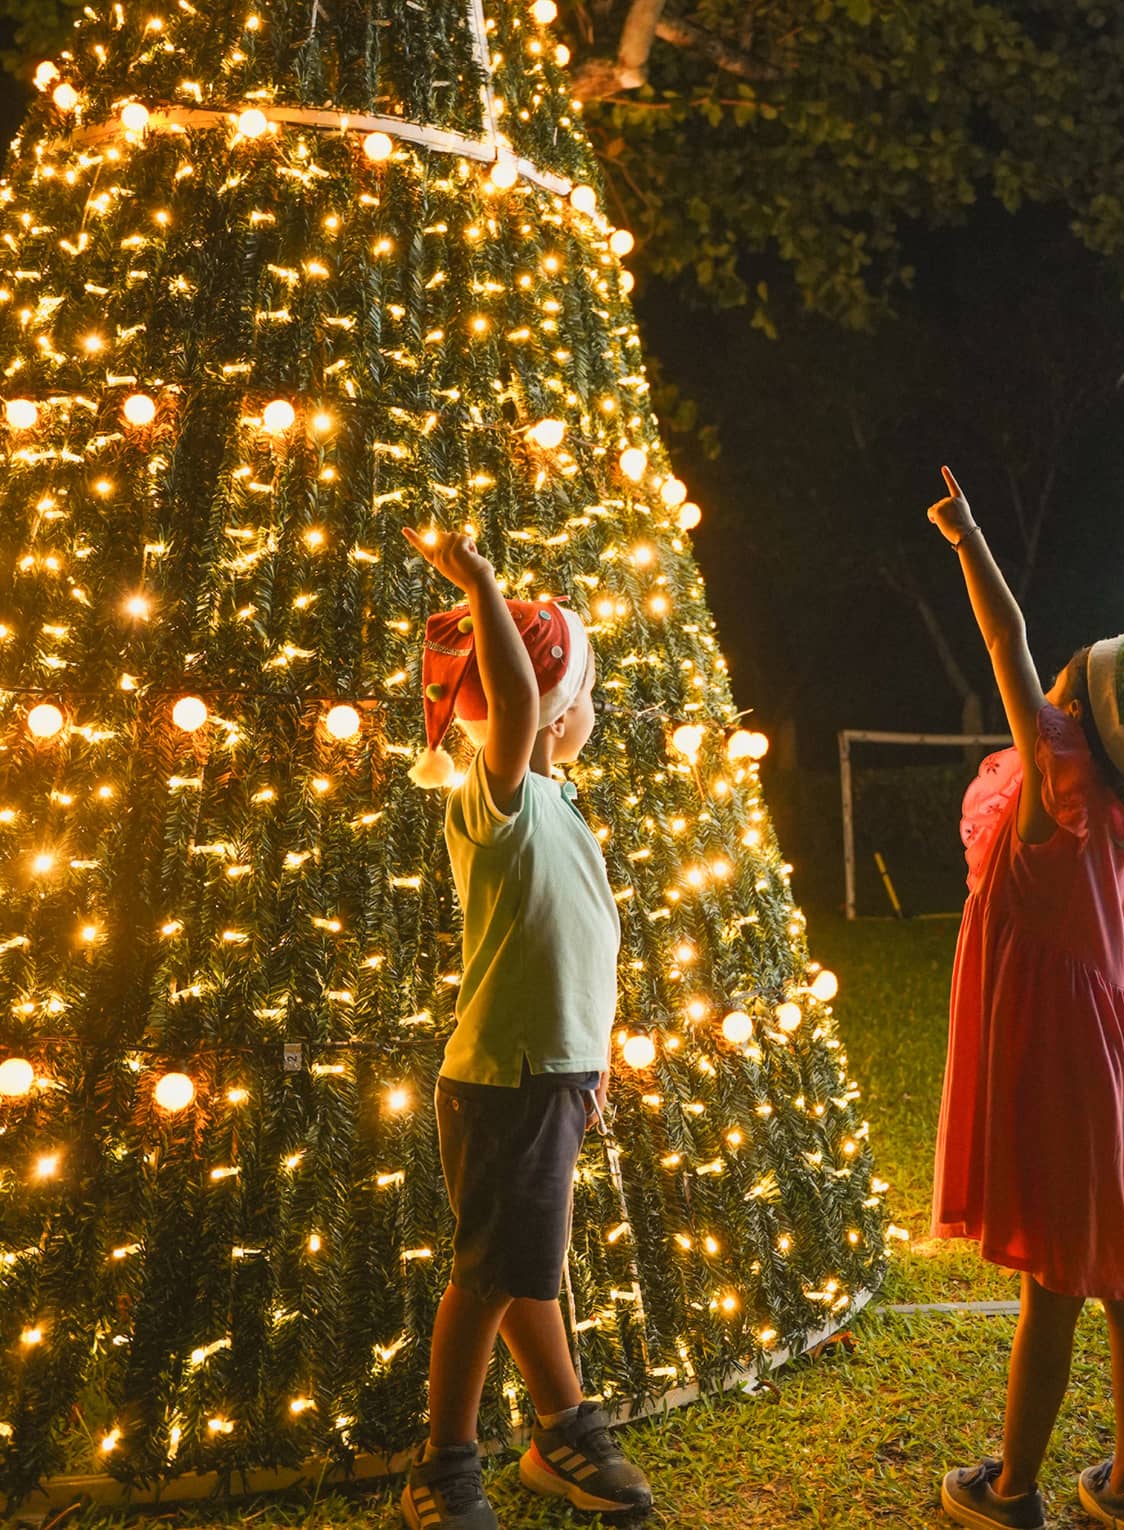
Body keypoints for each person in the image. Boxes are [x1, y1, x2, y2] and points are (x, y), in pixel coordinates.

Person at [924, 469, 1124, 1530]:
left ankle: (1010, 1490)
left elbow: (1008, 645)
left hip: (1062, 1069)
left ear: (1078, 719)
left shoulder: (1055, 792)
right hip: (1123, 1064)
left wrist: (971, 540)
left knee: (1055, 1290)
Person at [398, 525, 653, 1529]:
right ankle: (443, 1466)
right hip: (504, 1081)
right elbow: (511, 699)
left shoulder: (554, 802)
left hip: (548, 1076)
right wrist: (484, 586)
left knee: (524, 1263)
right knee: (489, 1275)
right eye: (583, 690)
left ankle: (563, 1427)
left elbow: (577, 946)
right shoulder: (494, 798)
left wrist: (586, 1066)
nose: (594, 708)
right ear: (553, 709)